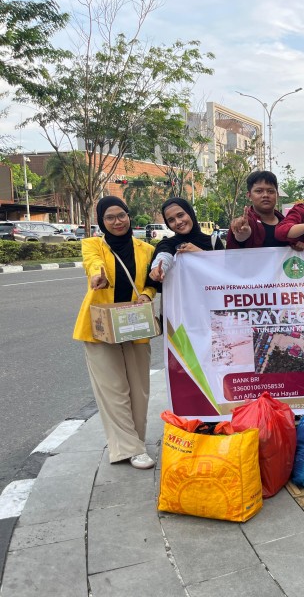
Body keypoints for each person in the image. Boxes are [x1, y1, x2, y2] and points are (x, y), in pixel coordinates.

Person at [73, 196, 157, 470]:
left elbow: (152, 282)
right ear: (101, 221)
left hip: (134, 322)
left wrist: (146, 295)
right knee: (113, 390)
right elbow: (92, 263)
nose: (117, 221)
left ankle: (136, 441)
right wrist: (97, 275)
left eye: (121, 215)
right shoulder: (93, 245)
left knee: (139, 389)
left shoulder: (146, 249)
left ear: (129, 216)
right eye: (110, 217)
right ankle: (129, 448)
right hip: (100, 327)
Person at [148, 197, 224, 284]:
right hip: (179, 297)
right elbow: (164, 256)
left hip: (211, 296)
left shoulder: (213, 242)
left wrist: (201, 254)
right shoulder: (167, 244)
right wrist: (158, 269)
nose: (178, 222)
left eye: (180, 215)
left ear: (190, 213)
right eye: (171, 220)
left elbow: (225, 274)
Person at [227, 170, 289, 249]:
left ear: (277, 195)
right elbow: (239, 238)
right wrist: (242, 234)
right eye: (259, 191)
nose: (265, 195)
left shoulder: (287, 223)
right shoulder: (244, 224)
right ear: (249, 195)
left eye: (270, 191)